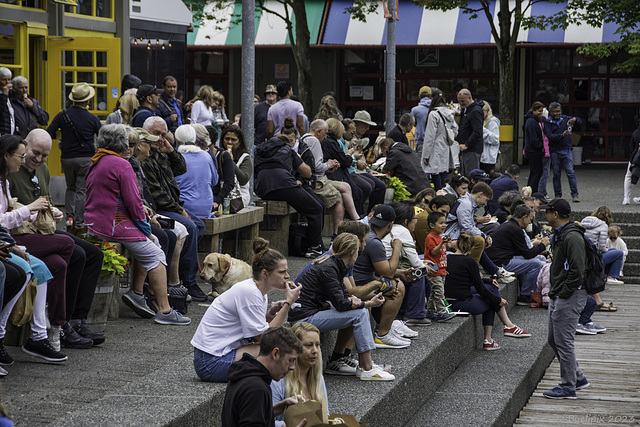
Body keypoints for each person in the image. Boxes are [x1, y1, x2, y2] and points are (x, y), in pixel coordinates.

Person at [84, 124, 190, 326]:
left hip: (95, 223)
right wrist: (146, 230)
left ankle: (139, 294)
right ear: (121, 143)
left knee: (152, 246)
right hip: (114, 225)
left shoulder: (96, 161)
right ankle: (165, 310)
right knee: (156, 253)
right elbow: (133, 203)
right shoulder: (122, 165)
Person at [8, 129, 106, 346]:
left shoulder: (42, 169)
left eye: (44, 155)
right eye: (35, 153)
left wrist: (54, 211)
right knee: (72, 252)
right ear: (24, 145)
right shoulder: (11, 170)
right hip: (22, 233)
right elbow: (9, 211)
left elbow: (46, 200)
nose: (39, 159)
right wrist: (32, 211)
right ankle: (62, 325)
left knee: (94, 254)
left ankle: (77, 319)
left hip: (42, 230)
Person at [191, 238, 302, 382]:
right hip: (210, 363)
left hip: (218, 354)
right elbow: (265, 338)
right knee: (276, 351)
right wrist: (288, 303)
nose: (287, 276)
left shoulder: (258, 291)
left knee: (280, 351)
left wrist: (271, 313)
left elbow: (259, 329)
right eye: (282, 272)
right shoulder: (249, 292)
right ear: (265, 273)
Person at [289, 233, 394, 380]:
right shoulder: (329, 268)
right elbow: (341, 304)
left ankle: (360, 363)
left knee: (359, 310)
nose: (359, 253)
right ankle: (367, 367)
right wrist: (368, 303)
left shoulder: (335, 264)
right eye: (357, 250)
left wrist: (355, 300)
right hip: (304, 318)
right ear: (352, 252)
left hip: (312, 311)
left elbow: (344, 297)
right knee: (361, 313)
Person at [141, 116, 207, 302]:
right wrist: (179, 210)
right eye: (156, 134)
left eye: (163, 134)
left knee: (199, 226)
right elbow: (156, 195)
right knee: (191, 227)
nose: (160, 138)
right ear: (146, 133)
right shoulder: (144, 157)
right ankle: (186, 280)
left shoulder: (160, 152)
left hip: (170, 205)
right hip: (159, 208)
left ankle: (182, 272)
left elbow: (181, 169)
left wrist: (170, 150)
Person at [445, 232, 531, 351]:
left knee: (491, 289)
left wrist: (489, 281)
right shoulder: (470, 262)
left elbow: (467, 280)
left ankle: (506, 328)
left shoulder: (447, 258)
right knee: (491, 300)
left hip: (448, 300)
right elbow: (480, 289)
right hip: (461, 303)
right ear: (471, 248)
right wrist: (498, 300)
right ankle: (492, 336)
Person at [540, 198, 590, 399]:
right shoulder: (560, 234)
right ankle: (578, 378)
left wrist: (564, 292)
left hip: (569, 294)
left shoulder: (572, 237)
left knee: (564, 341)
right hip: (559, 293)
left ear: (555, 214)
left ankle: (568, 387)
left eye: (547, 212)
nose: (545, 215)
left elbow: (578, 270)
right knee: (554, 339)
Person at [254, 132, 325, 258]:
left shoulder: (260, 150)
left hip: (262, 187)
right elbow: (308, 173)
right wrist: (297, 158)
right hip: (283, 183)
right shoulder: (288, 150)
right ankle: (315, 247)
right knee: (316, 208)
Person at [221, 326, 306, 427]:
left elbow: (252, 414)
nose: (293, 367)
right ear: (276, 353)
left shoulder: (244, 374)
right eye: (290, 360)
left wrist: (281, 406)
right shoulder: (257, 389)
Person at [352, 205, 410, 349]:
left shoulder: (368, 236)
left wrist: (401, 272)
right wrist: (397, 248)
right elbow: (388, 273)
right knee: (397, 287)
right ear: (390, 225)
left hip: (358, 281)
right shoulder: (374, 242)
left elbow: (378, 270)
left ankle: (385, 331)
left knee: (394, 280)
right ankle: (383, 334)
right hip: (359, 286)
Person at [46, 82, 102, 231]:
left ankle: (69, 219)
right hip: (85, 158)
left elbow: (49, 133)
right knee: (81, 190)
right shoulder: (92, 118)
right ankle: (79, 221)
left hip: (67, 157)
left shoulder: (62, 115)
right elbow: (102, 136)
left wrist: (63, 139)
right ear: (87, 100)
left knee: (70, 188)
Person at [381, 202, 435, 325]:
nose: (416, 221)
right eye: (415, 218)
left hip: (384, 271)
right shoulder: (402, 231)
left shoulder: (391, 228)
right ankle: (415, 315)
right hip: (385, 276)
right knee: (418, 274)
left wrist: (422, 263)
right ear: (406, 221)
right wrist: (424, 267)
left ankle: (406, 310)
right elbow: (416, 264)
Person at [301, 119, 356, 237]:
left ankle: (356, 219)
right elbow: (316, 166)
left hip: (320, 177)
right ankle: (337, 233)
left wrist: (327, 167)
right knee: (339, 199)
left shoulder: (304, 138)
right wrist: (329, 165)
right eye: (325, 133)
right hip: (317, 181)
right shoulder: (314, 141)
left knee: (346, 186)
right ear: (319, 131)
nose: (326, 137)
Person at [485, 204, 548, 306]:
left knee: (540, 258)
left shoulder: (510, 225)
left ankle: (529, 289)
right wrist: (543, 245)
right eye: (529, 219)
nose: (529, 223)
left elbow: (523, 252)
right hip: (501, 264)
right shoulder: (515, 229)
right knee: (537, 264)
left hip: (500, 259)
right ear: (524, 217)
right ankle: (525, 295)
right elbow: (527, 254)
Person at [271, 322, 328, 427]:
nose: (315, 350)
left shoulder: (318, 378)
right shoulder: (278, 381)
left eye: (317, 344)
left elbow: (325, 415)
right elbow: (264, 420)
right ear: (294, 348)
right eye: (308, 345)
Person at [321, 118, 366, 217]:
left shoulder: (328, 141)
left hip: (334, 174)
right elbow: (345, 161)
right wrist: (349, 155)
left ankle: (356, 218)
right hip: (334, 175)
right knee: (357, 192)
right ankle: (356, 220)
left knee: (363, 188)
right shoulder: (331, 142)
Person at [173, 125, 219, 218]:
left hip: (184, 208)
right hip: (205, 208)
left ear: (177, 141)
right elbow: (215, 181)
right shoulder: (206, 156)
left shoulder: (175, 157)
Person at [581, 206, 624, 303]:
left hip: (583, 254)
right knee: (619, 253)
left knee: (612, 250)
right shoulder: (603, 225)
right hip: (594, 258)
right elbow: (601, 248)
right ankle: (611, 277)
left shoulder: (584, 221)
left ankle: (606, 275)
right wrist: (606, 249)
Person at [384, 116, 431, 197]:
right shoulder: (398, 137)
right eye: (412, 125)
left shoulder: (396, 143)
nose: (412, 128)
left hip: (411, 189)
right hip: (421, 186)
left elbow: (387, 170)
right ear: (408, 125)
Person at [544, 102, 581, 202]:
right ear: (550, 112)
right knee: (556, 173)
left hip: (566, 149)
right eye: (555, 111)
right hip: (555, 151)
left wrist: (575, 119)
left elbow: (580, 122)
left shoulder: (565, 119)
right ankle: (558, 195)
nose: (557, 113)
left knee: (570, 172)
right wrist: (562, 135)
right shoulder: (547, 123)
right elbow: (550, 136)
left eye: (559, 111)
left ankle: (575, 194)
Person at [422, 89, 458, 191]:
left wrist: (426, 155)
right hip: (446, 149)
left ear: (432, 99)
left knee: (436, 181)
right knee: (443, 180)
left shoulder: (433, 114)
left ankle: (440, 202)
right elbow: (455, 129)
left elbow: (430, 136)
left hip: (434, 150)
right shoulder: (449, 113)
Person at [424, 211, 457, 322]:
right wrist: (442, 243)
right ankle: (442, 312)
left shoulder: (439, 237)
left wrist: (443, 269)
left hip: (440, 270)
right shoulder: (431, 237)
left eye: (445, 222)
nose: (444, 225)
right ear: (432, 225)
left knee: (434, 292)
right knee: (439, 291)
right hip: (433, 270)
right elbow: (433, 252)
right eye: (441, 223)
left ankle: (430, 311)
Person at [220, 124, 252, 207]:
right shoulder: (220, 154)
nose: (229, 142)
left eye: (233, 140)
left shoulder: (245, 157)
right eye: (227, 139)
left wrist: (230, 162)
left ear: (239, 142)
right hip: (222, 193)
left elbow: (244, 179)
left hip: (238, 197)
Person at [456, 89, 485, 176]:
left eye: (463, 101)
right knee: (465, 175)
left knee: (471, 176)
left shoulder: (475, 110)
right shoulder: (467, 109)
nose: (461, 103)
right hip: (467, 149)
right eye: (459, 101)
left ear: (469, 97)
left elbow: (477, 131)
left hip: (472, 149)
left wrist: (467, 144)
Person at [523, 101, 547, 193]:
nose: (540, 113)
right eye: (539, 111)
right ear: (533, 110)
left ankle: (529, 190)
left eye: (541, 111)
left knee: (533, 172)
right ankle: (532, 191)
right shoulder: (532, 122)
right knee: (538, 172)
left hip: (531, 150)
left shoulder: (532, 120)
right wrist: (540, 146)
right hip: (534, 151)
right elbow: (534, 139)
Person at [411, 86, 432, 156]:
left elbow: (411, 124)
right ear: (431, 97)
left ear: (419, 96)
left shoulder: (415, 110)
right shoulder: (435, 109)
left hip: (421, 142)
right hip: (434, 143)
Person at [480, 102, 500, 174]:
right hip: (481, 156)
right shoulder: (481, 121)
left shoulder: (492, 122)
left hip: (488, 157)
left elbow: (494, 139)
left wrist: (482, 129)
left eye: (483, 111)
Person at [623, 121, 640, 205]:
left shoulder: (636, 133)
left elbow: (631, 147)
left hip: (635, 158)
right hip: (636, 157)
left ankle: (626, 198)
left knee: (628, 176)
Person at [0, 68, 15, 137]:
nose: (7, 83)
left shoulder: (12, 94)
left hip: (10, 134)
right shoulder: (4, 95)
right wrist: (4, 95)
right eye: (3, 80)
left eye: (9, 79)